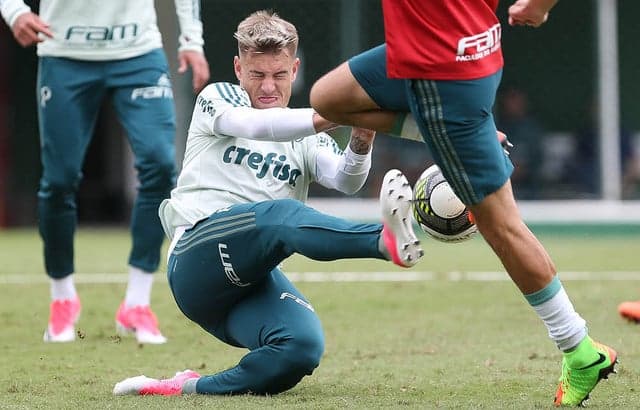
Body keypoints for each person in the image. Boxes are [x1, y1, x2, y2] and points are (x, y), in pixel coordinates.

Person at [310, 0, 617, 406]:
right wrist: (539, 7)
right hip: (449, 52)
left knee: (502, 227)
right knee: (328, 96)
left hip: (442, 77)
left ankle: (580, 351)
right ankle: (459, 136)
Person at [112, 10, 423, 396]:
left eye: (278, 75)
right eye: (257, 75)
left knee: (301, 347)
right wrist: (338, 112)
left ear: (295, 69)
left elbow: (346, 180)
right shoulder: (219, 98)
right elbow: (260, 125)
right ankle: (382, 240)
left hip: (247, 280)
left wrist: (362, 135)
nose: (267, 87)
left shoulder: (306, 138)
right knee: (281, 216)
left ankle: (185, 387)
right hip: (196, 259)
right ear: (238, 68)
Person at [0, 0, 210, 344]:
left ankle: (137, 304)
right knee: (59, 180)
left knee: (160, 165)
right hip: (63, 52)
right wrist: (14, 11)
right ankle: (62, 297)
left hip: (139, 51)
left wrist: (192, 40)